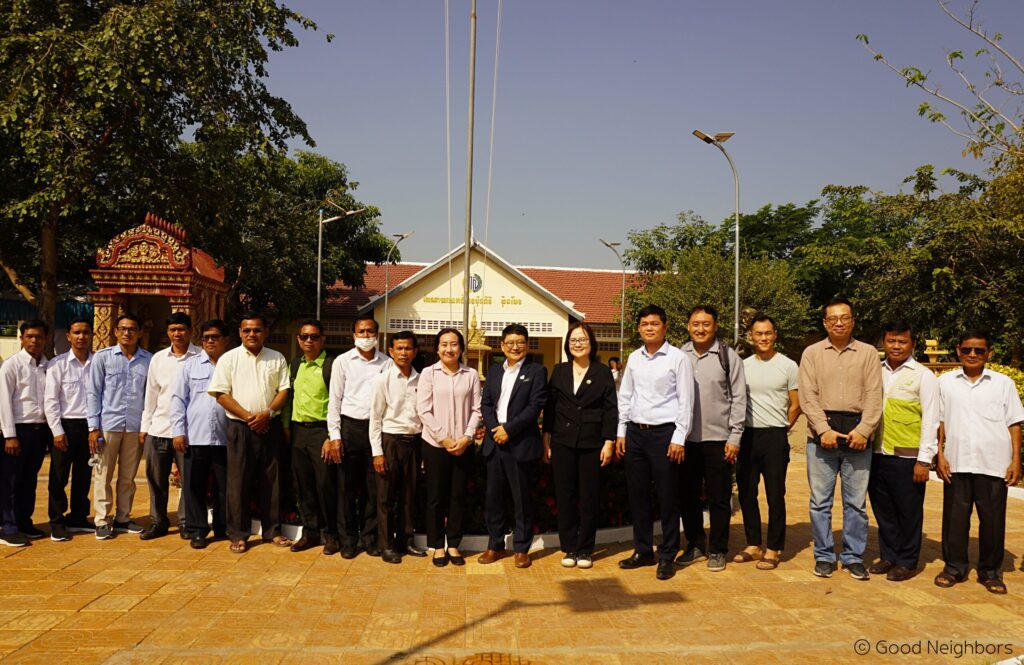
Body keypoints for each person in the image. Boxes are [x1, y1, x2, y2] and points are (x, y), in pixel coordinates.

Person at [798, 297, 883, 580]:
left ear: (853, 321)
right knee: (820, 502)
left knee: (855, 503)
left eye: (844, 317)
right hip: (821, 437)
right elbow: (807, 395)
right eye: (833, 318)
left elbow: (874, 394)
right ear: (825, 323)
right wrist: (823, 429)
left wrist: (864, 430)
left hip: (857, 435)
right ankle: (824, 556)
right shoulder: (812, 353)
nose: (839, 323)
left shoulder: (868, 353)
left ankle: (852, 556)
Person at [934, 330, 1023, 595]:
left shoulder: (1003, 383)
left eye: (979, 350)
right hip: (957, 461)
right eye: (967, 350)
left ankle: (990, 572)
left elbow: (1014, 423)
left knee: (993, 521)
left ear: (989, 353)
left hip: (993, 463)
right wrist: (939, 454)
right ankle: (954, 568)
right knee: (955, 520)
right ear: (958, 351)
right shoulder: (945, 382)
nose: (972, 354)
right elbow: (939, 421)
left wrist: (1015, 460)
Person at [616, 305, 694, 581]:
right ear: (639, 328)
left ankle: (668, 554)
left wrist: (679, 437)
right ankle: (643, 551)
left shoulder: (678, 358)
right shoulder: (634, 358)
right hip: (635, 434)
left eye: (654, 323)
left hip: (665, 435)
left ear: (665, 327)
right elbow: (626, 396)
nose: (649, 328)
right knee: (638, 496)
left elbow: (686, 401)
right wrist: (621, 431)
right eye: (644, 324)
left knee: (667, 497)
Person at [208, 312, 291, 553]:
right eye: (247, 330)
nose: (252, 334)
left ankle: (272, 531)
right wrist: (249, 417)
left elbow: (284, 390)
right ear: (240, 333)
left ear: (265, 332)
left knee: (272, 480)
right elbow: (221, 394)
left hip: (270, 426)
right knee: (238, 482)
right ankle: (238, 534)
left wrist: (267, 413)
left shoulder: (277, 357)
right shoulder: (228, 359)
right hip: (239, 428)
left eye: (256, 330)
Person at [867, 321, 939, 582]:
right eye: (891, 341)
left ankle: (907, 561)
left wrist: (924, 460)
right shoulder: (875, 371)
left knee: (908, 511)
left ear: (913, 344)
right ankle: (888, 556)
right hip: (876, 453)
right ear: (883, 343)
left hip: (907, 457)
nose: (896, 346)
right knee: (883, 509)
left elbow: (931, 419)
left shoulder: (923, 375)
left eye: (902, 341)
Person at [678, 305, 747, 573]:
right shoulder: (679, 355)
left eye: (706, 324)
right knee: (688, 495)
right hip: (686, 439)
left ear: (715, 326)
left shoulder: (728, 356)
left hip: (719, 440)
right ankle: (695, 543)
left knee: (719, 497)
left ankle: (718, 549)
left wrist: (735, 437)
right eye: (695, 324)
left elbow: (739, 398)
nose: (700, 329)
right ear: (688, 326)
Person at [543, 321, 617, 569]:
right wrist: (546, 437)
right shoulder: (559, 370)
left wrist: (609, 441)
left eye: (582, 340)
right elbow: (550, 408)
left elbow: (610, 410)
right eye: (573, 340)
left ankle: (585, 549)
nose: (578, 344)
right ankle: (569, 547)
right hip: (562, 441)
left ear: (591, 344)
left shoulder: (602, 372)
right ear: (567, 344)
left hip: (591, 442)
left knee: (588, 498)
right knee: (565, 496)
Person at [479, 324, 548, 569]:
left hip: (520, 443)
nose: (515, 347)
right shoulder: (495, 370)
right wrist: (495, 428)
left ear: (527, 345)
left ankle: (521, 548)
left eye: (520, 342)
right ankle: (495, 545)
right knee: (493, 498)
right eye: (510, 343)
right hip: (494, 442)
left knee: (521, 499)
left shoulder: (537, 371)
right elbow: (486, 403)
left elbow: (535, 406)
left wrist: (509, 430)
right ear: (502, 345)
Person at [735, 315, 800, 570]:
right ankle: (753, 544)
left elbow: (796, 404)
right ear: (751, 337)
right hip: (747, 436)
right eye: (758, 333)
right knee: (746, 492)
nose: (763, 338)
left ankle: (773, 547)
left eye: (768, 333)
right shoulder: (742, 366)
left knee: (775, 494)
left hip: (774, 437)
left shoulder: (788, 366)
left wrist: (782, 427)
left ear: (775, 335)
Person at [416, 328, 481, 568]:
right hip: (435, 445)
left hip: (463, 445)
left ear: (461, 348)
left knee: (457, 496)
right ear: (437, 348)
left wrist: (466, 437)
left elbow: (477, 409)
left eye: (454, 344)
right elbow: (423, 410)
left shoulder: (471, 374)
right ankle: (437, 545)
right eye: (444, 344)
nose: (449, 349)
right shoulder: (428, 374)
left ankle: (453, 543)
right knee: (435, 497)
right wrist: (443, 439)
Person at [327, 316, 390, 558]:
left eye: (370, 331)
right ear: (354, 335)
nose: (366, 336)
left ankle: (370, 538)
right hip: (349, 428)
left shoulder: (387, 363)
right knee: (346, 488)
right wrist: (335, 436)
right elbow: (335, 400)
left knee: (373, 488)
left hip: (376, 430)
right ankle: (348, 540)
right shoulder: (343, 361)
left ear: (377, 334)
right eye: (361, 331)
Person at [88, 312, 152, 540]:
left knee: (128, 477)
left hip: (135, 426)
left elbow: (150, 395)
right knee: (103, 475)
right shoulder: (103, 357)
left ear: (140, 333)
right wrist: (93, 427)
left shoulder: (148, 360)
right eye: (123, 329)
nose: (127, 333)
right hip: (108, 425)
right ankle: (102, 520)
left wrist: (147, 426)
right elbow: (93, 392)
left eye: (132, 329)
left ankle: (123, 518)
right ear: (115, 332)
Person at [139, 312, 200, 540]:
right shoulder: (158, 359)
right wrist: (145, 426)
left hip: (189, 432)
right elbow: (151, 394)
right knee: (156, 480)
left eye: (181, 329)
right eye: (173, 330)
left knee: (189, 480)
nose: (177, 334)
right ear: (168, 332)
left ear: (190, 331)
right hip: (159, 428)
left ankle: (186, 522)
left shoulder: (201, 357)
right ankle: (158, 522)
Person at [170, 319, 230, 549]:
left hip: (226, 438)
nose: (210, 341)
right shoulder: (190, 366)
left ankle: (223, 527)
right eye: (206, 338)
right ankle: (197, 530)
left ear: (225, 340)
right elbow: (178, 399)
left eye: (215, 337)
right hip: (196, 436)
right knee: (194, 486)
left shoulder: (232, 364)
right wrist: (178, 432)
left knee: (225, 486)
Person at [285, 319, 340, 555]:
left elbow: (339, 402)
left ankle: (332, 535)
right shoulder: (295, 365)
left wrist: (331, 436)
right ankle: (310, 533)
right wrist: (287, 428)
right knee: (303, 485)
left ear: (322, 339)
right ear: (298, 339)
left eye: (314, 336)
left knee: (325, 485)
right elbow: (289, 398)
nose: (309, 341)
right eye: (304, 336)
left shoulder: (332, 365)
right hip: (298, 432)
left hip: (322, 432)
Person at [369, 330, 425, 563]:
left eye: (408, 348)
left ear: (415, 351)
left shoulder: (421, 379)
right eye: (399, 348)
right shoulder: (383, 379)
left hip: (414, 442)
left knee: (409, 495)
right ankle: (386, 545)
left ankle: (406, 540)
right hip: (390, 441)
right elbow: (375, 418)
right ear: (391, 351)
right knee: (385, 498)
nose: (403, 353)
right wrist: (378, 453)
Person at [0, 320, 51, 546]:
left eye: (39, 336)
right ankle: (7, 526)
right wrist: (9, 435)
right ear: (21, 338)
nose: (34, 341)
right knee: (10, 481)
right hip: (18, 431)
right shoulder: (12, 365)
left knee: (29, 480)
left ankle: (23, 521)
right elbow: (3, 401)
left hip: (40, 430)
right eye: (29, 336)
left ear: (45, 339)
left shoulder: (48, 366)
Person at [44, 317, 95, 542]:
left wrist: (96, 428)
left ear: (92, 335)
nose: (81, 336)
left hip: (90, 427)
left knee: (84, 474)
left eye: (85, 332)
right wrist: (57, 431)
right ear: (68, 336)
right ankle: (56, 521)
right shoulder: (58, 364)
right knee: (59, 476)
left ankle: (78, 517)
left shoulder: (98, 363)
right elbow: (51, 401)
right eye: (76, 332)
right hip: (65, 426)